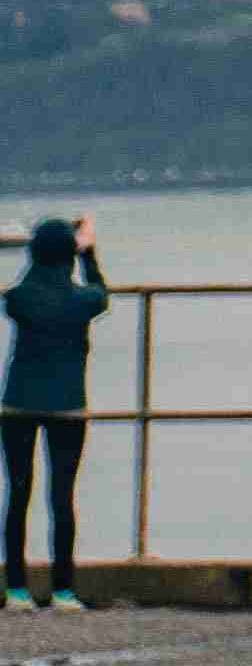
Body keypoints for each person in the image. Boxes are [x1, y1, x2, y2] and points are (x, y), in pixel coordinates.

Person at [3, 214, 104, 616]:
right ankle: (63, 590)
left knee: (18, 496)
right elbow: (100, 290)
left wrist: (42, 253)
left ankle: (16, 590)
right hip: (68, 406)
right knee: (62, 497)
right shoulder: (84, 302)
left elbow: (25, 287)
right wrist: (89, 251)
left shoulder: (19, 299)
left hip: (18, 404)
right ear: (70, 254)